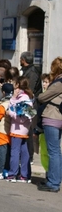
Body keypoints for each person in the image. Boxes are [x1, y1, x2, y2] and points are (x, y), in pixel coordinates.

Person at [37, 57, 62, 192]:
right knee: (56, 151)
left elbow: (43, 97)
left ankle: (53, 182)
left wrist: (40, 96)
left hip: (52, 117)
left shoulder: (59, 82)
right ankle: (55, 180)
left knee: (53, 151)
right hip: (59, 118)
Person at [6, 76, 36, 183]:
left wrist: (10, 113)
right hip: (22, 129)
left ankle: (12, 174)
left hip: (18, 129)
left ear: (18, 85)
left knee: (15, 151)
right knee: (24, 151)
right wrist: (14, 98)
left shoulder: (23, 99)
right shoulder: (25, 97)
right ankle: (25, 174)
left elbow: (23, 117)